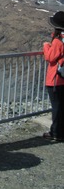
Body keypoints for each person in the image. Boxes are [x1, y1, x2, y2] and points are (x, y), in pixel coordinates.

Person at [42, 10, 64, 142]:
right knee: (61, 106)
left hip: (55, 79)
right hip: (62, 78)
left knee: (57, 107)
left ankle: (55, 133)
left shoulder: (58, 41)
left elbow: (50, 58)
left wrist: (46, 46)